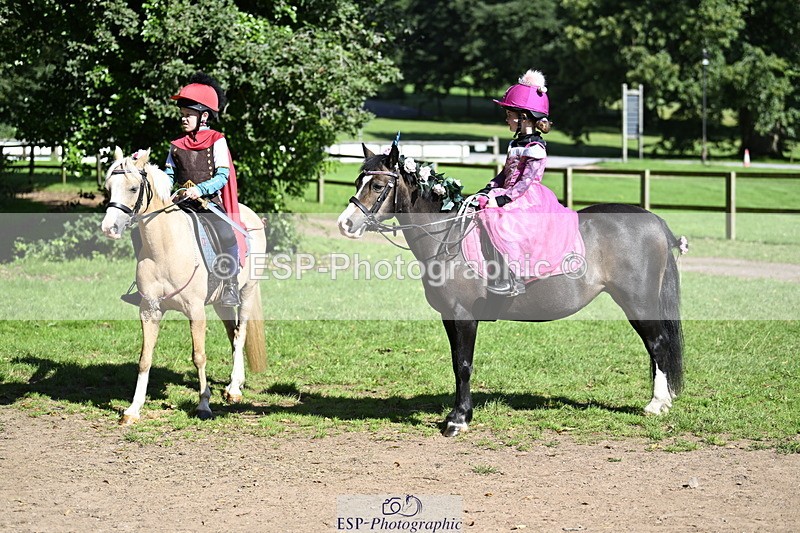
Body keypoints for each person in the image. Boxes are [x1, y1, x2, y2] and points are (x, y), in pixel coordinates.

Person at [122, 72, 244, 307]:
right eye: (182, 115)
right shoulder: (176, 146)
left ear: (204, 116)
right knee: (140, 231)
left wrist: (200, 189)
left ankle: (230, 285)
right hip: (182, 203)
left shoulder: (217, 140)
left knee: (227, 234)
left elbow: (223, 176)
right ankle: (143, 285)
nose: (184, 119)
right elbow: (169, 176)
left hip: (208, 203)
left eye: (189, 115)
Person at [475, 69, 584, 296]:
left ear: (524, 117)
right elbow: (505, 173)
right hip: (509, 190)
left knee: (502, 221)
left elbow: (525, 183)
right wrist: (490, 188)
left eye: (509, 114)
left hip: (527, 197)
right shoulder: (516, 143)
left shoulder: (535, 147)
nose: (506, 118)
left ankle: (513, 279)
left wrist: (503, 198)